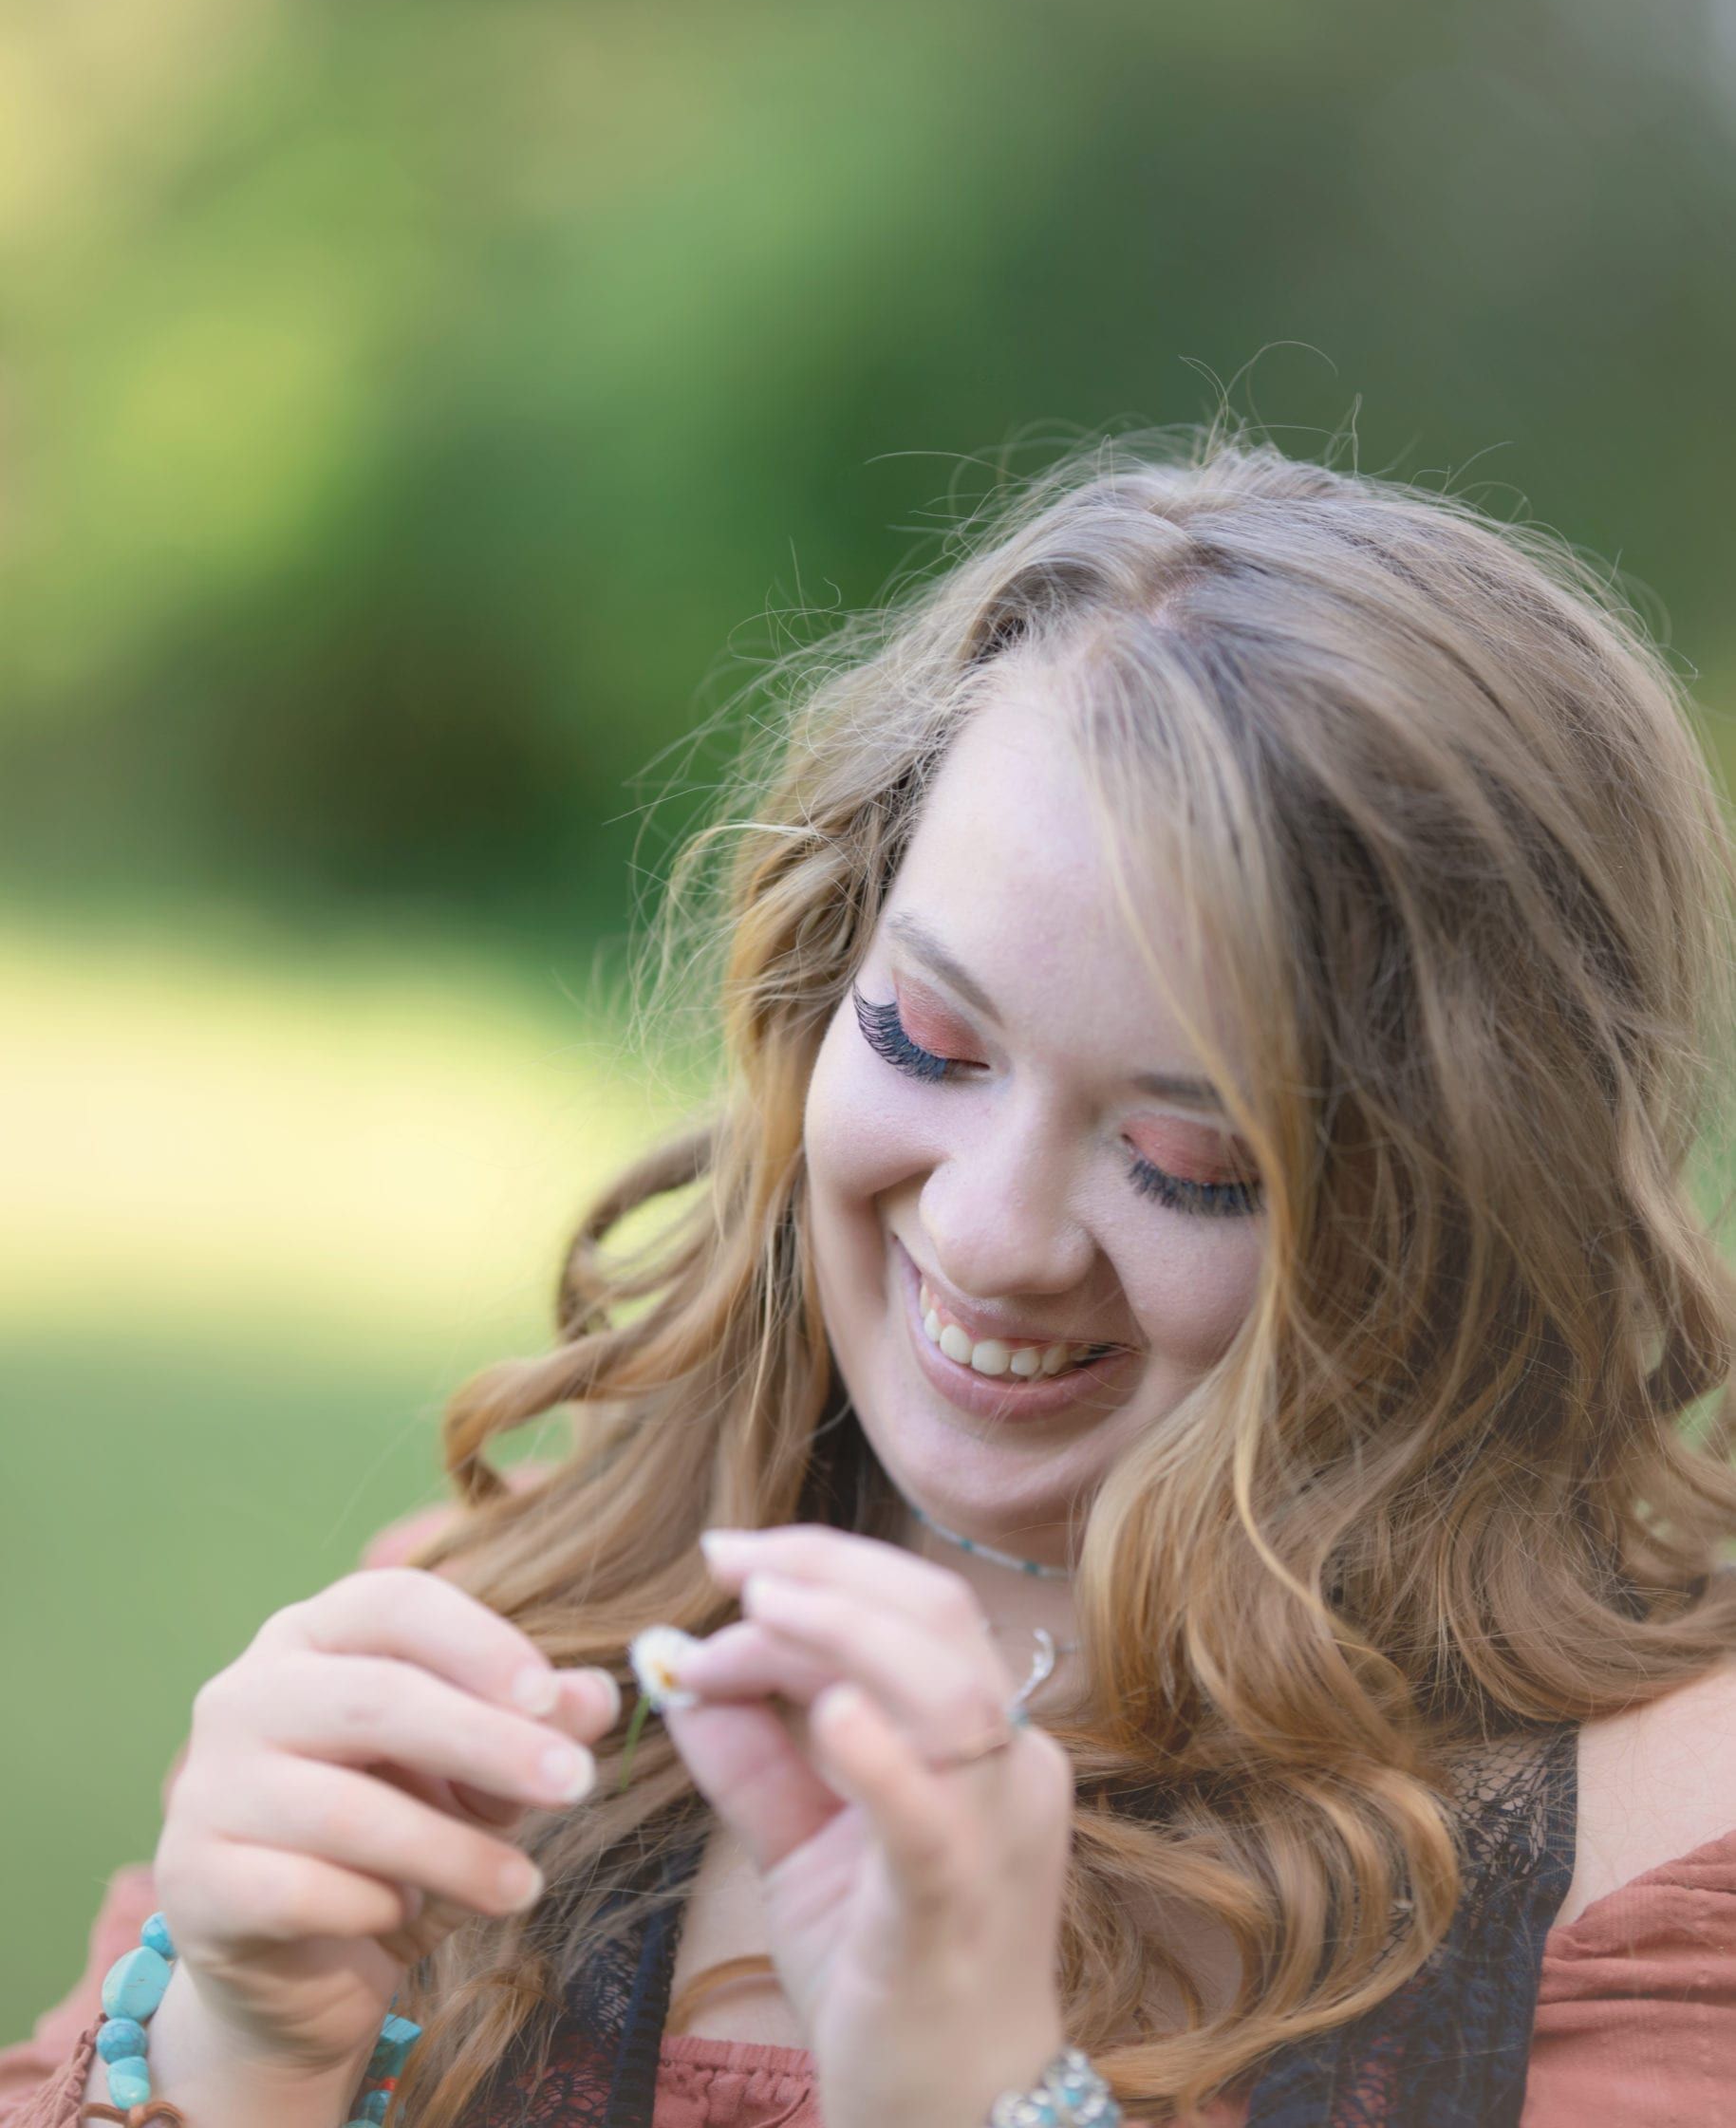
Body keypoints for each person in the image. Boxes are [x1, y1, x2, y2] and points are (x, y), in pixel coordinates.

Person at [8, 425, 1736, 2128]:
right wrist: (244, 2057)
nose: (988, 1237)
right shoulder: (488, 1651)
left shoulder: (1659, 1853)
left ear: (1466, 1207)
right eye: (925, 1035)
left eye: (1188, 1161)